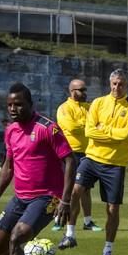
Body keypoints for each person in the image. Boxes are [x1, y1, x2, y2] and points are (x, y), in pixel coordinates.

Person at [0, 82, 75, 255]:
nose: (13, 109)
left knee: (18, 236)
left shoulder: (48, 128)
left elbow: (71, 160)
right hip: (20, 197)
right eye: (10, 105)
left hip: (47, 196)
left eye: (19, 104)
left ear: (31, 104)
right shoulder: (11, 130)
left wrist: (65, 200)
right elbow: (8, 167)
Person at [57, 69, 128, 255]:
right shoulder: (98, 103)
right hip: (92, 158)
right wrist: (111, 134)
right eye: (113, 83)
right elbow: (89, 131)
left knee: (112, 209)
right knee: (74, 191)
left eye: (120, 84)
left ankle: (107, 249)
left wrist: (102, 129)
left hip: (115, 164)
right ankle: (70, 235)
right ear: (109, 84)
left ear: (126, 85)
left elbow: (125, 135)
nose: (116, 87)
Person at [53, 78, 102, 232]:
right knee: (64, 188)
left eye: (85, 89)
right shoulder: (64, 108)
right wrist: (89, 126)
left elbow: (100, 125)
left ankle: (88, 222)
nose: (84, 92)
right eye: (81, 90)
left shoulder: (90, 107)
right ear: (72, 91)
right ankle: (58, 220)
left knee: (85, 189)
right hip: (69, 153)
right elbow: (70, 127)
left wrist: (89, 126)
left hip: (88, 153)